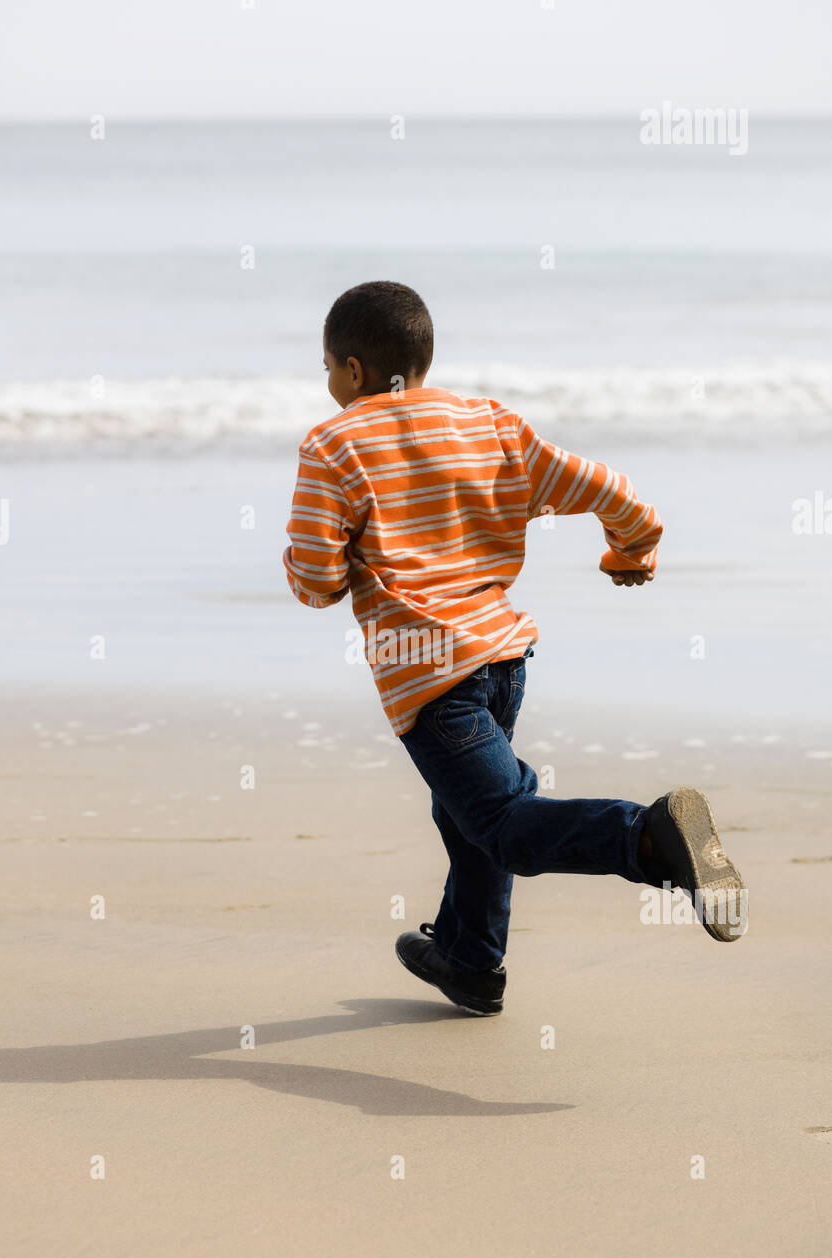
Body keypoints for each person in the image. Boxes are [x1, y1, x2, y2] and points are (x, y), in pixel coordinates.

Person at [283, 281, 747, 1016]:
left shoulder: (335, 444)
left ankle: (647, 838)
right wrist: (633, 551)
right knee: (462, 813)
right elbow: (607, 489)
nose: (329, 383)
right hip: (503, 661)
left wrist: (341, 561)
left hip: (432, 680)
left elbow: (314, 580)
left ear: (356, 371)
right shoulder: (488, 423)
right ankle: (470, 961)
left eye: (327, 368)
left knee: (503, 828)